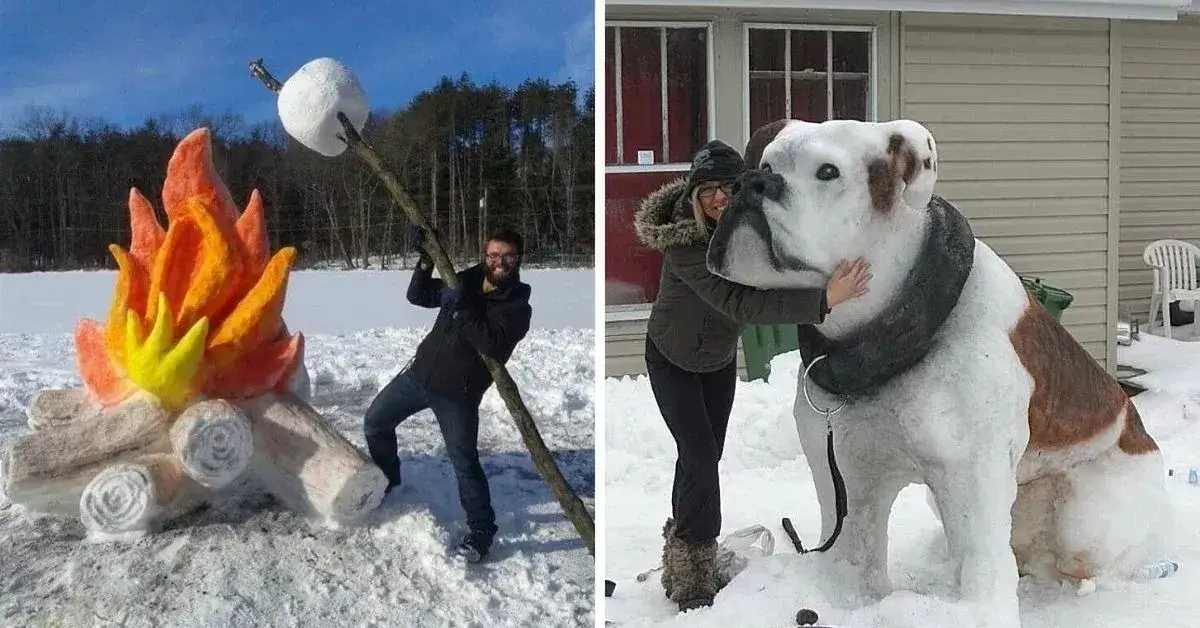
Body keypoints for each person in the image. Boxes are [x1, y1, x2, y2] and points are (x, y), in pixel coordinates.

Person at [632, 139, 872, 611]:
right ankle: (695, 571)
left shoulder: (745, 231)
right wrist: (825, 300)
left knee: (702, 455)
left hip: (717, 358)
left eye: (728, 188)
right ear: (694, 195)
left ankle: (682, 543)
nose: (719, 198)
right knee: (699, 457)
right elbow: (740, 302)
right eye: (709, 191)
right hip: (672, 359)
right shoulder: (685, 247)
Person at [363, 225, 532, 564]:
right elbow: (419, 296)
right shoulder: (466, 280)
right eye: (493, 255)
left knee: (464, 463)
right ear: (485, 255)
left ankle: (482, 531)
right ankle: (390, 482)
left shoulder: (517, 307)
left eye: (507, 256)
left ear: (518, 259)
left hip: (459, 394)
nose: (499, 261)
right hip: (419, 376)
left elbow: (492, 344)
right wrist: (426, 262)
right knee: (375, 422)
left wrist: (462, 309)